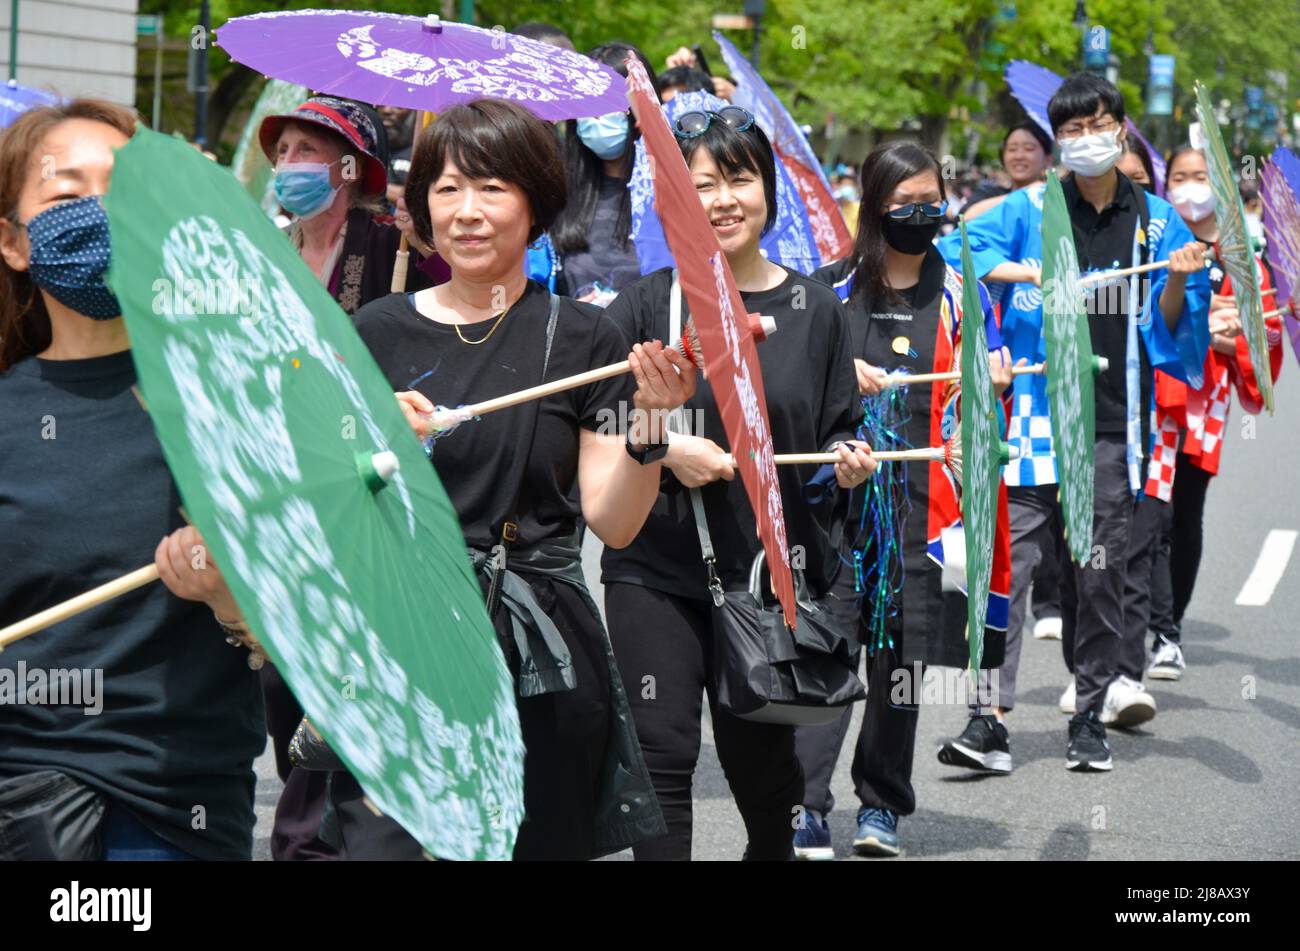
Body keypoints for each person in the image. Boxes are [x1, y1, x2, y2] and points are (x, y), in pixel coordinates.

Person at [343, 97, 695, 860]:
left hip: (542, 658)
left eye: (493, 188)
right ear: (422, 206)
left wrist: (652, 425)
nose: (467, 212)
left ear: (534, 205)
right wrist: (374, 447)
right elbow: (331, 510)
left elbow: (616, 520)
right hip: (404, 648)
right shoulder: (371, 333)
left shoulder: (585, 338)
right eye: (447, 188)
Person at [600, 103, 874, 860]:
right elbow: (597, 429)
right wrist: (665, 447)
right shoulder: (646, 305)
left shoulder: (814, 308)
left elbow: (835, 427)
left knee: (765, 777)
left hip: (764, 574)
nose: (722, 199)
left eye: (738, 179)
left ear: (767, 189)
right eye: (701, 186)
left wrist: (846, 460)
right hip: (654, 569)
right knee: (659, 756)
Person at [0, 99, 266, 860]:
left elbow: (298, 630)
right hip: (22, 808)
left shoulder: (229, 396)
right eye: (65, 194)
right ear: (13, 244)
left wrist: (227, 597)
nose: (99, 212)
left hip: (175, 810)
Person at [938, 73, 1210, 772]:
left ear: (1122, 129)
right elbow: (958, 247)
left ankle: (1089, 711)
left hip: (1111, 425)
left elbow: (1176, 333)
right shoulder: (1032, 205)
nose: (1087, 140)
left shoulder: (1156, 219)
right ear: (1057, 141)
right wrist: (1020, 274)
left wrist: (1177, 277)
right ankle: (988, 719)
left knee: (1097, 575)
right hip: (1029, 416)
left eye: (1098, 125)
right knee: (1009, 568)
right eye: (1073, 130)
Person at [791, 141, 1014, 859]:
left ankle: (882, 803)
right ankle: (805, 806)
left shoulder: (962, 295)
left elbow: (984, 402)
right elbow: (790, 397)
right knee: (826, 662)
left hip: (926, 514)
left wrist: (994, 383)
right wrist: (835, 375)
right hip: (834, 512)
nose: (922, 216)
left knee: (903, 668)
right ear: (875, 209)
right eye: (904, 206)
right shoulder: (828, 292)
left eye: (931, 204)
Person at [1141, 145, 1284, 682]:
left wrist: (1223, 335)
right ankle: (1153, 626)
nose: (1189, 185)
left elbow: (1262, 333)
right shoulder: (1148, 239)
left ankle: (1169, 625)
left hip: (1204, 402)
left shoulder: (1241, 256)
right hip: (1151, 392)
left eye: (1201, 176)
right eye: (1180, 176)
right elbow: (1140, 317)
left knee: (1185, 513)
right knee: (1148, 512)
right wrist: (1199, 322)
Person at [257, 96, 446, 316]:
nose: (287, 162)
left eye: (306, 148)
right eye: (282, 150)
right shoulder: (270, 246)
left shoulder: (396, 243)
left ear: (351, 167)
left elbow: (464, 297)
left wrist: (425, 248)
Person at [550, 43, 658, 302]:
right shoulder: (557, 191)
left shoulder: (670, 193)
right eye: (589, 102)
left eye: (612, 102)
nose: (598, 117)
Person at [962, 121, 1055, 221]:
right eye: (1012, 149)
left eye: (1029, 149)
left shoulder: (1058, 201)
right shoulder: (988, 194)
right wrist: (1028, 192)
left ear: (1048, 159)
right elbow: (965, 219)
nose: (1019, 156)